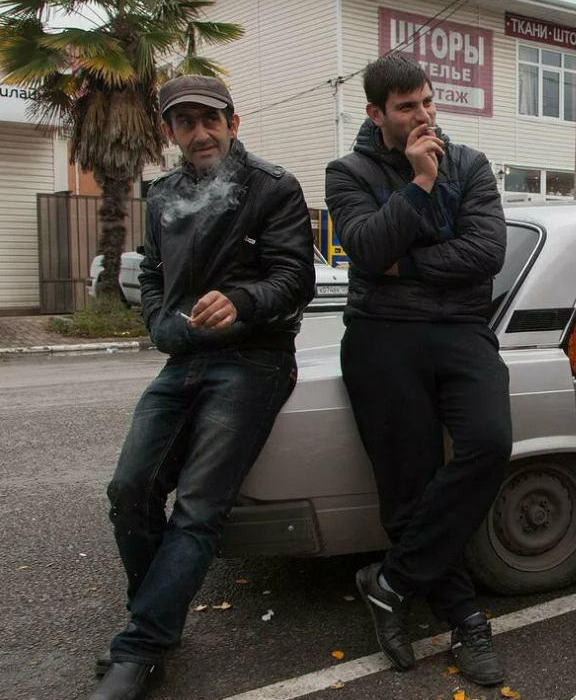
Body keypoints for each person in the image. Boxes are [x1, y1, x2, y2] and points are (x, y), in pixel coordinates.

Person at [88, 76, 316, 700]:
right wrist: (162, 324)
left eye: (208, 119)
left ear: (233, 123)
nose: (199, 132)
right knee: (129, 488)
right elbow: (155, 274)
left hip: (254, 359)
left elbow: (296, 279)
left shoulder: (272, 187)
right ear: (169, 132)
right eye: (184, 122)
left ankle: (138, 647)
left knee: (198, 508)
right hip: (184, 358)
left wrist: (241, 301)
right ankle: (156, 618)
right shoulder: (163, 194)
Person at [324, 55, 511, 687]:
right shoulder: (346, 172)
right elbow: (368, 249)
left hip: (461, 330)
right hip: (383, 335)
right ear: (376, 114)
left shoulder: (473, 164)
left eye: (427, 102)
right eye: (407, 107)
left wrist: (407, 264)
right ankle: (463, 617)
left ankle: (392, 581)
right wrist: (420, 184)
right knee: (409, 484)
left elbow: (487, 253)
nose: (424, 115)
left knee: (489, 444)